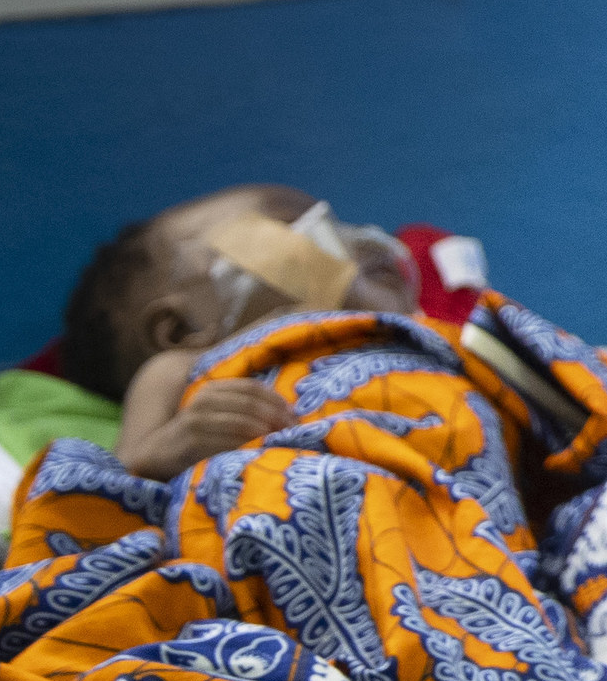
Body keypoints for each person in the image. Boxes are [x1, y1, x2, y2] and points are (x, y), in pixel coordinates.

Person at [56, 184, 413, 478]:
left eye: (339, 222)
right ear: (181, 330)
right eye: (304, 227)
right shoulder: (181, 369)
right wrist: (171, 448)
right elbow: (118, 482)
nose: (358, 239)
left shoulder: (432, 337)